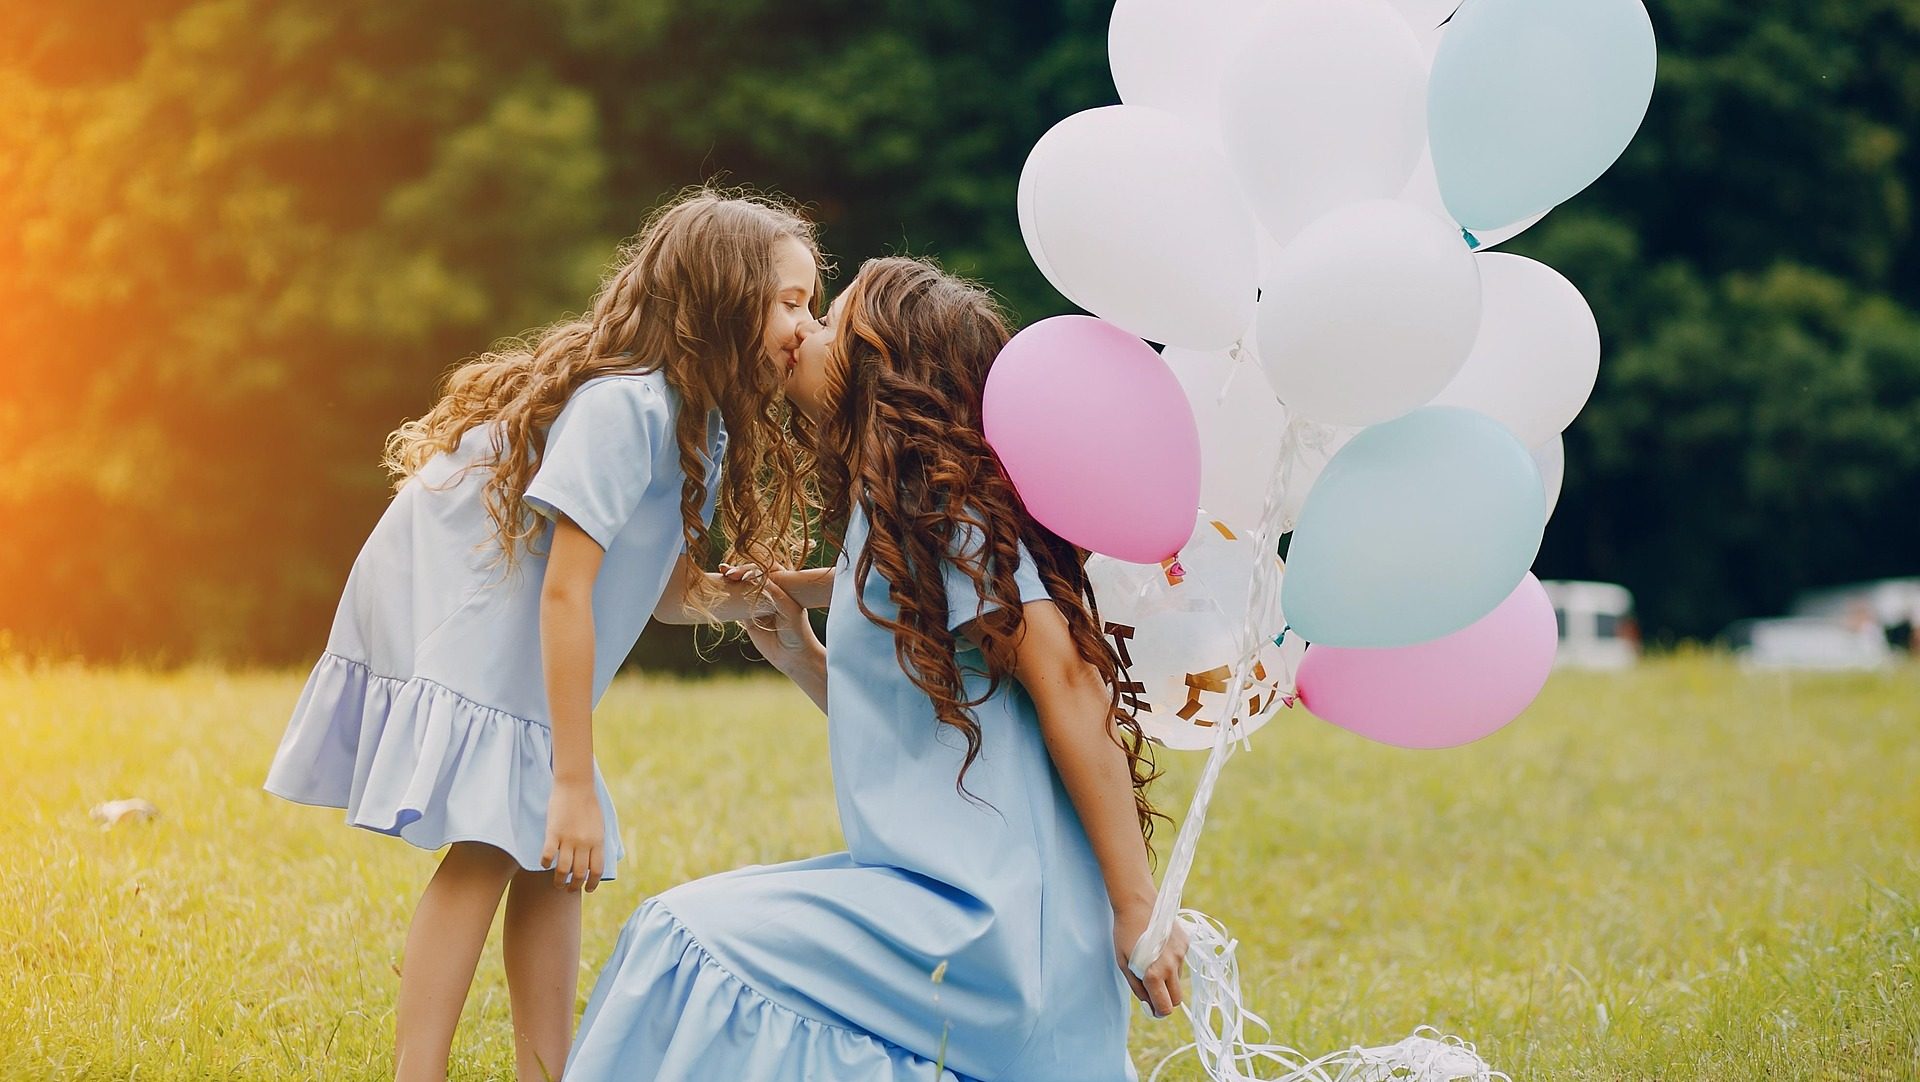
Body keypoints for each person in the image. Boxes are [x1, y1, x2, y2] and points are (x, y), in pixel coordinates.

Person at [566, 257, 1187, 1081]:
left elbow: (1072, 683)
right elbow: (916, 729)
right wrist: (804, 657)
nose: (804, 335)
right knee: (685, 936)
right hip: (935, 899)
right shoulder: (890, 520)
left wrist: (1138, 905)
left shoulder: (951, 512)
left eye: (830, 323)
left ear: (881, 369)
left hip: (992, 928)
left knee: (685, 937)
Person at [264, 190, 822, 1082]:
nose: (807, 324)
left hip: (522, 615)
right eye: (791, 301)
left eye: (812, 305)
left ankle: (547, 1071)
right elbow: (567, 593)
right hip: (465, 597)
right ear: (724, 296)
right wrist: (571, 781)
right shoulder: (629, 409)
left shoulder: (698, 425)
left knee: (558, 862)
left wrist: (787, 595)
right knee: (494, 836)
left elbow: (674, 597)